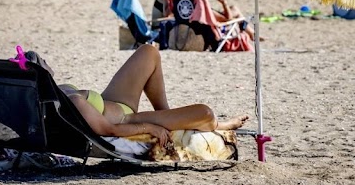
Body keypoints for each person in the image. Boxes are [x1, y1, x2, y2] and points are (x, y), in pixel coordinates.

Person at [29, 46, 247, 148]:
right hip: (127, 120)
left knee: (148, 52)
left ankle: (170, 116)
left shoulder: (59, 91)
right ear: (43, 72)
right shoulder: (71, 100)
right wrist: (149, 127)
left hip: (113, 101)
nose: (47, 61)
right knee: (205, 113)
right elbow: (109, 130)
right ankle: (218, 125)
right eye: (43, 61)